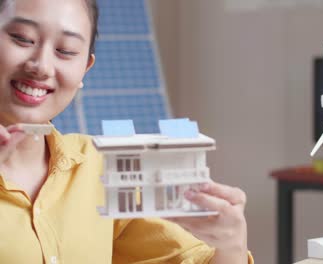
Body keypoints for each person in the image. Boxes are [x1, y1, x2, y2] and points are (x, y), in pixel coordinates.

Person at [0, 0, 253, 263]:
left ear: (85, 68)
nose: (41, 66)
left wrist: (230, 245)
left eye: (65, 50)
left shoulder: (100, 168)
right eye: (22, 38)